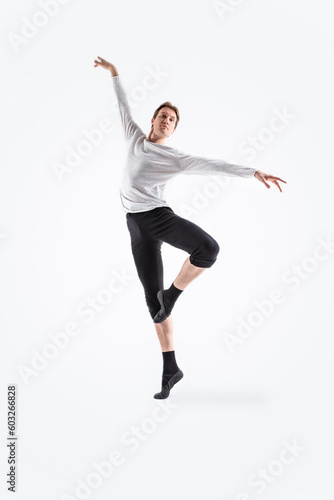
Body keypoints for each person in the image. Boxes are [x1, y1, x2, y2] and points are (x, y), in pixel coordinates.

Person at [93, 56, 287, 399]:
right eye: (163, 116)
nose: (167, 122)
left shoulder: (175, 158)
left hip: (158, 217)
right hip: (135, 228)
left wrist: (253, 172)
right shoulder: (135, 138)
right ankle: (171, 368)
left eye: (172, 120)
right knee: (153, 307)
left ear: (173, 129)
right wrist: (115, 73)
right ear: (152, 120)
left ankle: (173, 294)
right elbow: (122, 105)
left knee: (207, 250)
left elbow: (214, 165)